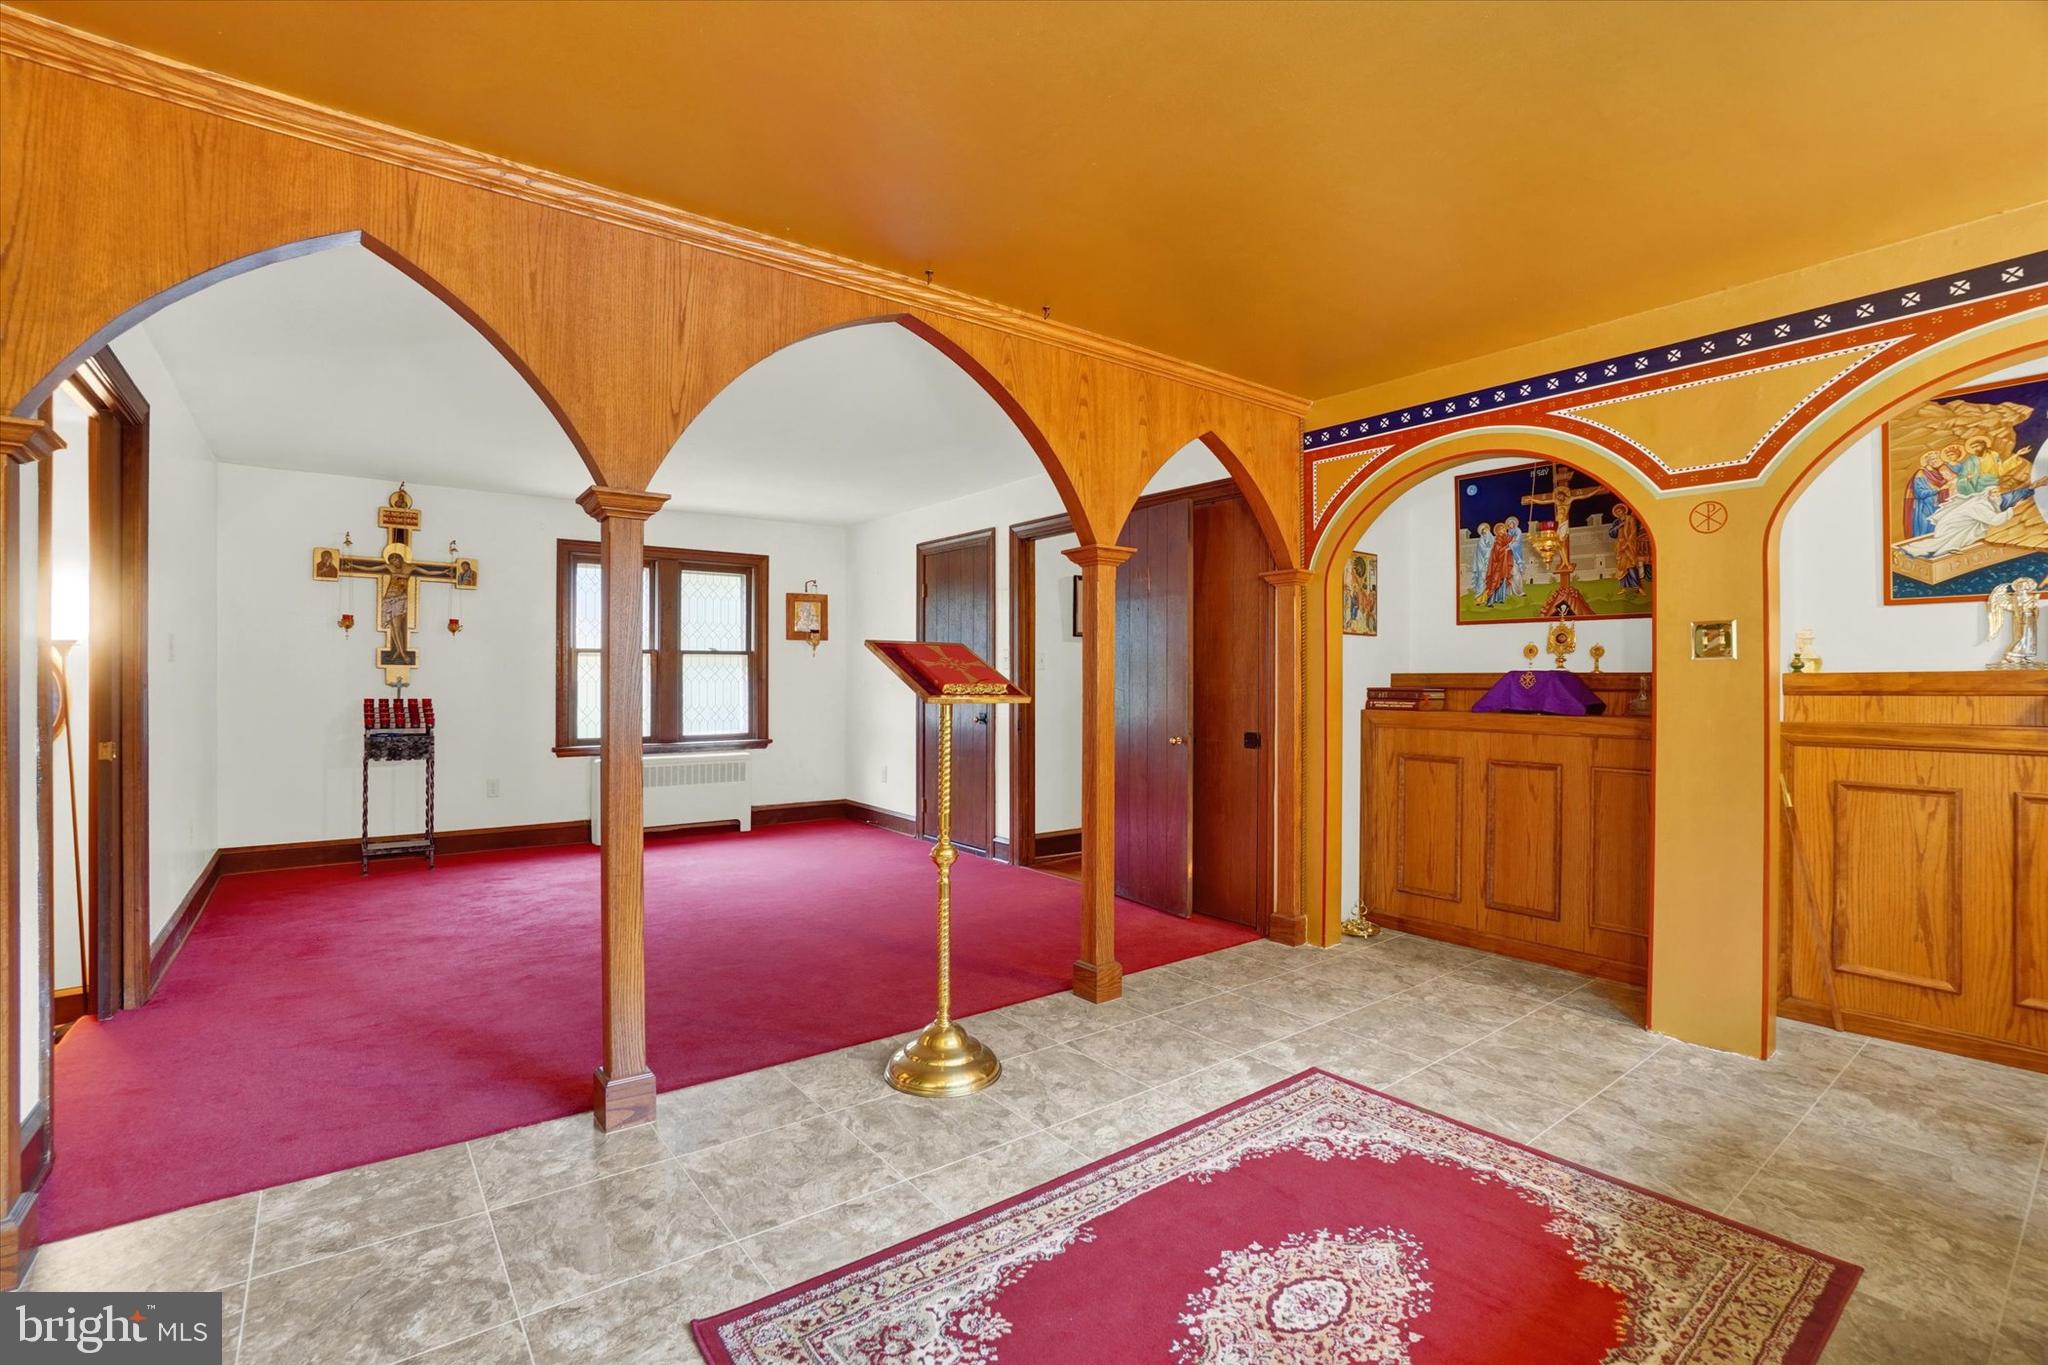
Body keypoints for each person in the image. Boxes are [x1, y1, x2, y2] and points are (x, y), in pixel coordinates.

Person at [1904, 449, 1957, 537]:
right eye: (1932, 459)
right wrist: (1938, 490)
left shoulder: (1938, 473)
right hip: (1925, 507)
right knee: (1926, 531)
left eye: (1937, 459)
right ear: (1927, 461)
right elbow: (1919, 493)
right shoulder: (1921, 473)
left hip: (1937, 505)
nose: (1935, 461)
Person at [1468, 521, 1495, 602]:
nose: (1485, 532)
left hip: (1491, 564)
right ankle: (1479, 598)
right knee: (1482, 579)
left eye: (1486, 531)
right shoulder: (1480, 541)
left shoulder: (1491, 539)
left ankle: (1489, 599)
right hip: (1482, 564)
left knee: (1491, 580)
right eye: (1484, 531)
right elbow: (1483, 550)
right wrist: (1490, 549)